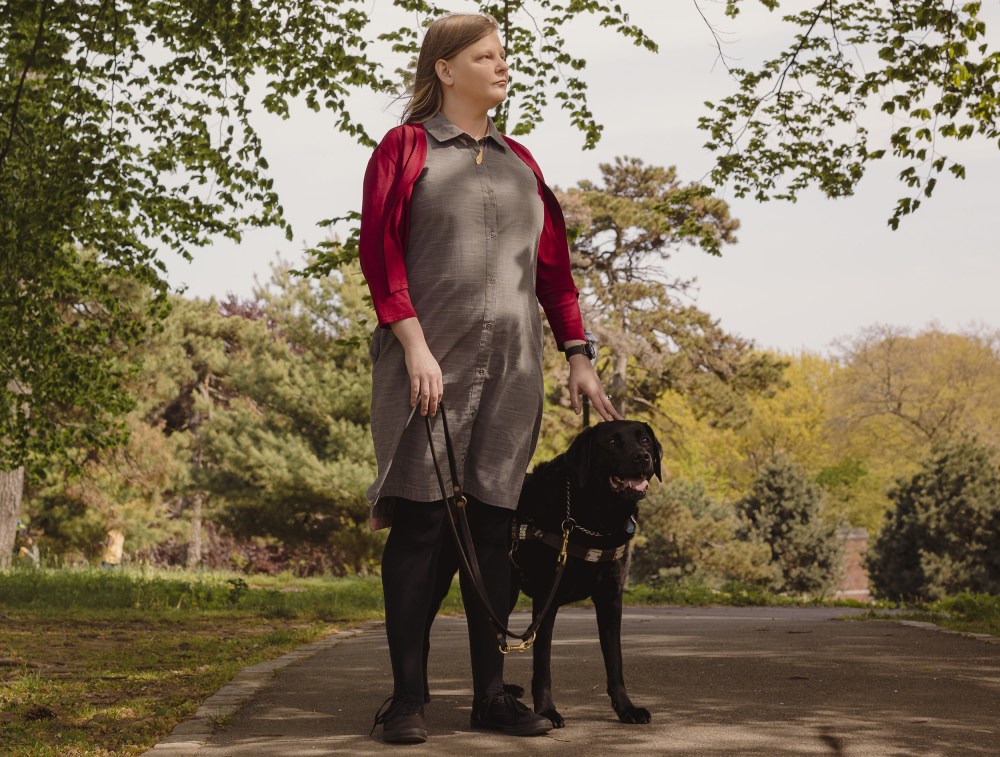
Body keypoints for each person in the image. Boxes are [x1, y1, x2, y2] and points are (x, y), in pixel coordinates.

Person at [359, 12, 621, 744]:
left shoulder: (523, 163)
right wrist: (413, 344)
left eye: (503, 55)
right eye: (485, 56)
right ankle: (406, 699)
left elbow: (554, 272)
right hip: (425, 365)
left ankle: (490, 696)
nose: (502, 67)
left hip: (512, 371)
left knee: (495, 525)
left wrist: (577, 351)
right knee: (421, 522)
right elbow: (380, 255)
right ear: (445, 68)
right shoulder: (405, 148)